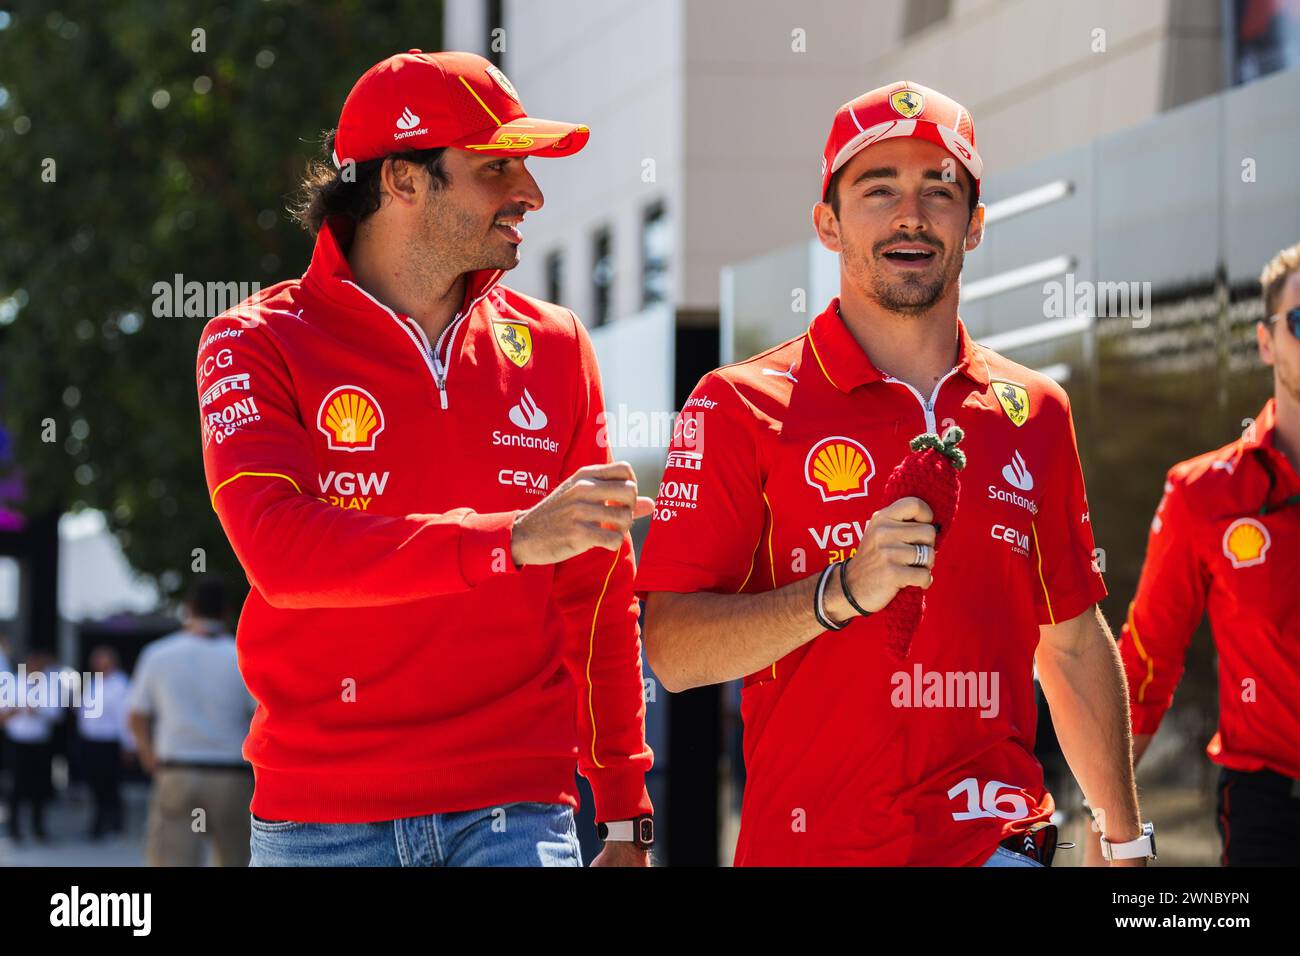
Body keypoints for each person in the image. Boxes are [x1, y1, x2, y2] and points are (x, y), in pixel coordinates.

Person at [636, 81, 1153, 867]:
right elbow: (672, 650)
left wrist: (1126, 844)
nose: (911, 214)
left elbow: (1072, 642)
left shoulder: (1035, 410)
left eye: (939, 190)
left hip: (995, 841)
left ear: (974, 225)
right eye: (878, 190)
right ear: (828, 223)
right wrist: (839, 593)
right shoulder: (738, 404)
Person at [195, 50, 654, 867]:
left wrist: (623, 809)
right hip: (320, 823)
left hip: (517, 812)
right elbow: (283, 554)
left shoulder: (555, 344)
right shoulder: (252, 339)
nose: (531, 195)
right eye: (496, 168)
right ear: (403, 179)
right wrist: (510, 539)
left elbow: (597, 592)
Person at [1109, 241, 1300, 866]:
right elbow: (1147, 663)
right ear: (1267, 341)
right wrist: (1109, 816)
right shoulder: (1204, 494)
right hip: (1271, 808)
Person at [127, 576, 256, 866]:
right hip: (230, 774)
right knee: (235, 858)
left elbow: (137, 713)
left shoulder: (158, 654)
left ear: (188, 608)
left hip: (176, 769)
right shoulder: (241, 654)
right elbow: (258, 714)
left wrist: (148, 756)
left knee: (172, 859)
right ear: (225, 611)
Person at [1, 651, 61, 842]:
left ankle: (38, 828)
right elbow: (2, 715)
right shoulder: (12, 683)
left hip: (40, 743)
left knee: (40, 787)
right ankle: (14, 828)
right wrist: (18, 710)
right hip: (18, 741)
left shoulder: (49, 685)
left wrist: (37, 710)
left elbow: (56, 714)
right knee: (16, 787)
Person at [76, 645, 132, 839]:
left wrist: (128, 744)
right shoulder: (94, 682)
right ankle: (99, 823)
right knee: (95, 786)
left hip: (110, 741)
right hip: (91, 740)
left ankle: (113, 824)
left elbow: (125, 717)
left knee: (110, 786)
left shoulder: (120, 684)